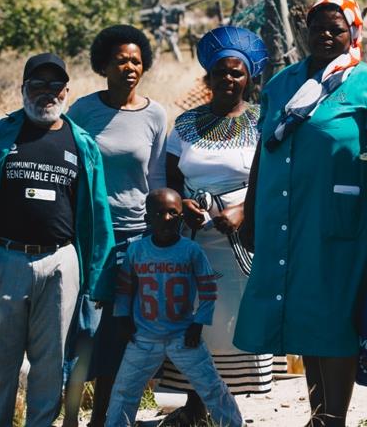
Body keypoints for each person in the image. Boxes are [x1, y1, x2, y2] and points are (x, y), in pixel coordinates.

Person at [233, 0, 367, 427]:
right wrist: (252, 213)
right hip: (286, 219)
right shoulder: (283, 84)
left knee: (335, 322)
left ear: (353, 32)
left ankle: (334, 418)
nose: (325, 36)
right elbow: (263, 153)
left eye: (336, 28)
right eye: (317, 28)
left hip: (341, 223)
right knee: (307, 319)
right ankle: (318, 415)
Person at [0, 53, 114, 427]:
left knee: (50, 363)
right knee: (0, 361)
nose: (46, 93)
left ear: (66, 91)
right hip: (6, 262)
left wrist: (98, 274)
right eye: (37, 85)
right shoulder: (0, 134)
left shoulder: (82, 143)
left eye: (54, 85)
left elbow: (97, 212)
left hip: (61, 263)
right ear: (22, 89)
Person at [158, 25, 273, 422]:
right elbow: (171, 177)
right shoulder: (186, 124)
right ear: (208, 77)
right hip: (194, 239)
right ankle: (194, 405)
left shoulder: (262, 121)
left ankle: (227, 403)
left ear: (249, 79)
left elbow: (272, 176)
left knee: (232, 320)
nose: (228, 78)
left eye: (236, 72)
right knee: (196, 318)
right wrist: (182, 203)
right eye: (220, 72)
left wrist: (243, 211)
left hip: (240, 237)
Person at [63, 24, 167, 427]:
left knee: (121, 333)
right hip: (90, 237)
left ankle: (104, 417)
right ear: (103, 65)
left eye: (136, 61)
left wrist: (158, 237)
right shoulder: (84, 111)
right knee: (83, 330)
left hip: (136, 238)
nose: (129, 67)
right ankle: (70, 416)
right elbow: (67, 169)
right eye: (120, 60)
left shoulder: (155, 114)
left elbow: (156, 179)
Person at [105, 188, 243, 427]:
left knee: (211, 387)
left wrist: (198, 323)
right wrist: (123, 318)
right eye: (159, 213)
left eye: (173, 213)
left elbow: (208, 288)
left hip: (183, 335)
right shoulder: (137, 251)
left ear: (182, 217)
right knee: (124, 391)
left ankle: (234, 424)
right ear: (147, 219)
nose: (167, 218)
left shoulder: (191, 250)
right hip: (144, 337)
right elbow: (125, 288)